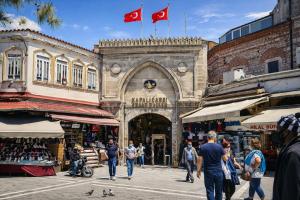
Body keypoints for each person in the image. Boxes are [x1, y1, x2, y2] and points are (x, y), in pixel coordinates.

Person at [273, 113, 300, 200]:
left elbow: (291, 189)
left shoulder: (293, 153)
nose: (276, 133)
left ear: (287, 131)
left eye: (278, 129)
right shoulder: (290, 148)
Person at [197, 131, 226, 200]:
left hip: (208, 171)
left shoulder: (203, 147)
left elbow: (199, 160)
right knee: (219, 191)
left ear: (207, 138)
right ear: (215, 138)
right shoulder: (219, 147)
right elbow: (225, 159)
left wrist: (198, 171)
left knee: (210, 190)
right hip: (219, 171)